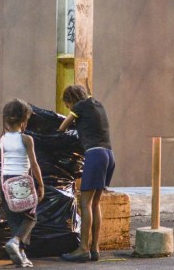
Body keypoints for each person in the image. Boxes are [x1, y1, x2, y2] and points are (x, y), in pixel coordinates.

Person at [58, 84, 115, 262]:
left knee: (85, 203)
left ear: (71, 100)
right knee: (95, 203)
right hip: (109, 155)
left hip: (95, 154)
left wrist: (71, 118)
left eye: (68, 105)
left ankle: (83, 248)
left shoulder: (80, 106)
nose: (69, 109)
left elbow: (62, 127)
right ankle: (94, 248)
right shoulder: (98, 105)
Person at [0, 99, 45, 268]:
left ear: (6, 120)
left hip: (6, 181)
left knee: (14, 219)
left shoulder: (2, 140)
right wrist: (41, 184)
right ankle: (15, 242)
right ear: (24, 121)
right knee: (30, 217)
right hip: (22, 182)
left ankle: (21, 256)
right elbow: (34, 164)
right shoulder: (27, 139)